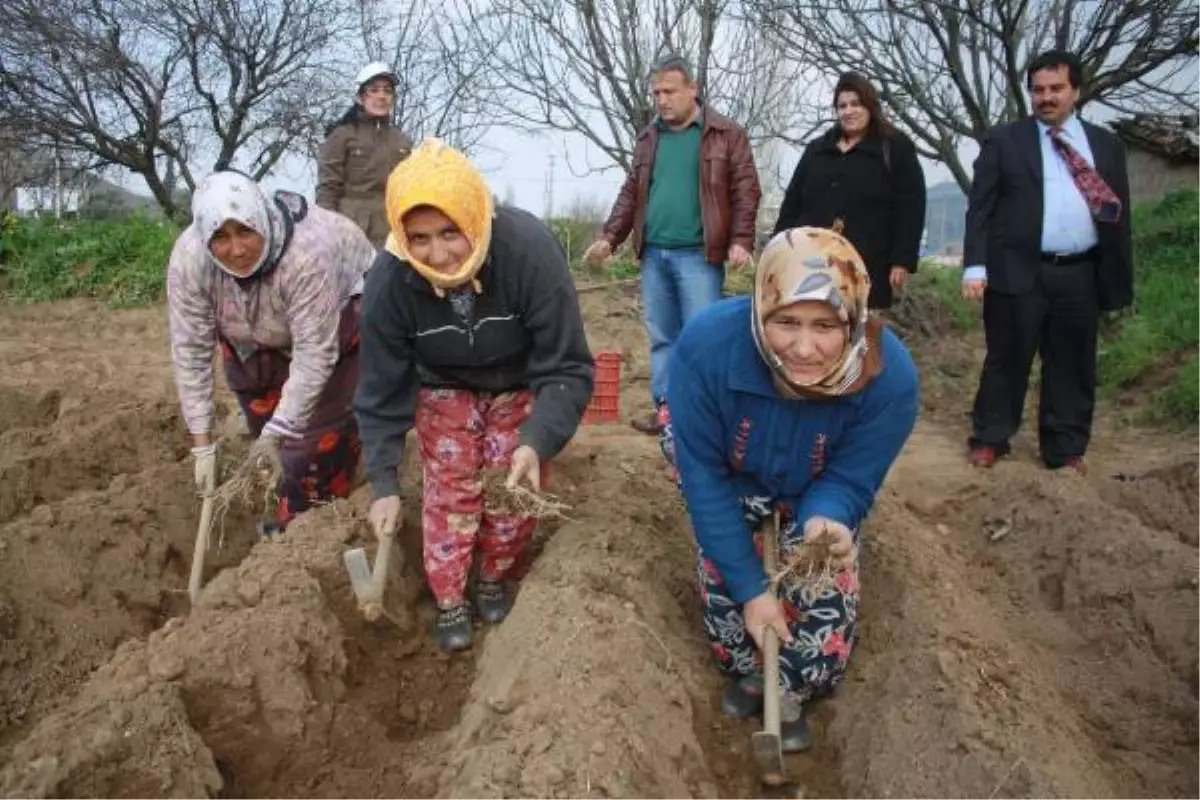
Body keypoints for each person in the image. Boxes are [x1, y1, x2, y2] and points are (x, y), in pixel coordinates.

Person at [659, 226, 919, 750]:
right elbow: (704, 478)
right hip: (731, 474)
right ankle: (747, 668)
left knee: (820, 592)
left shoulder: (890, 380)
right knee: (729, 602)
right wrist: (752, 590)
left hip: (818, 483)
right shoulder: (707, 349)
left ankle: (794, 684)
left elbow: (850, 476)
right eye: (786, 322)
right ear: (760, 312)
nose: (803, 348)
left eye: (825, 326)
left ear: (855, 320)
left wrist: (828, 519)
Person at [354, 138, 595, 652]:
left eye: (450, 233)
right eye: (418, 238)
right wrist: (383, 483)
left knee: (511, 481)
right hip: (442, 383)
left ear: (474, 218)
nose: (438, 255)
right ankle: (449, 597)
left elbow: (567, 365)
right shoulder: (390, 281)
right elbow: (380, 389)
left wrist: (538, 439)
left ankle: (494, 575)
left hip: (515, 381)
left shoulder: (527, 250)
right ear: (401, 234)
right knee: (452, 488)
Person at [168, 170, 377, 533]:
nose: (236, 249)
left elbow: (315, 356)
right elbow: (191, 351)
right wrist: (202, 444)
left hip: (335, 315)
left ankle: (305, 522)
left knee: (312, 438)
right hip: (249, 331)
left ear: (261, 218)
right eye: (220, 237)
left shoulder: (306, 255)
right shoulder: (191, 261)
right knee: (263, 418)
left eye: (245, 231)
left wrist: (278, 434)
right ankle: (285, 489)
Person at [961, 50, 1133, 473]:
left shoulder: (1105, 146)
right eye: (1038, 90)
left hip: (1079, 272)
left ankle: (1065, 448)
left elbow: (1118, 213)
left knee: (1073, 363)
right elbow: (980, 208)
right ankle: (991, 437)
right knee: (1007, 357)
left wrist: (1116, 279)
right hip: (1018, 269)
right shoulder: (1005, 141)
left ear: (1075, 90)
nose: (1046, 98)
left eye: (1056, 89)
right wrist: (975, 265)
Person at [584, 52, 761, 436]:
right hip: (654, 254)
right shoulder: (649, 138)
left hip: (699, 255)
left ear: (692, 89)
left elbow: (746, 189)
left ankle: (703, 417)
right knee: (663, 338)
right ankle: (666, 412)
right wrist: (609, 238)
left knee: (702, 340)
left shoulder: (725, 134)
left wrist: (742, 240)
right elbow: (632, 191)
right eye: (656, 93)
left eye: (669, 91)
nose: (662, 100)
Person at [773, 72, 926, 311]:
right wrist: (780, 248)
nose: (848, 111)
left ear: (870, 106)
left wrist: (902, 260)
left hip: (869, 261)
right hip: (811, 261)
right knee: (816, 327)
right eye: (842, 105)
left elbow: (911, 206)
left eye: (856, 104)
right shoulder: (817, 150)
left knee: (865, 337)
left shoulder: (895, 148)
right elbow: (792, 202)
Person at [316, 61, 414, 246]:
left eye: (387, 90)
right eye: (374, 90)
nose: (382, 96)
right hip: (350, 231)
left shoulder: (402, 141)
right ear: (360, 97)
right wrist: (326, 231)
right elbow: (328, 189)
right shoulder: (342, 135)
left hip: (394, 234)